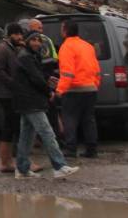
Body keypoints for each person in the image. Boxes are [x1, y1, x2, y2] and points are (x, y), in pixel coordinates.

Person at [14, 31, 79, 179]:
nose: (37, 43)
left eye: (39, 40)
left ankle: (22, 169)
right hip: (31, 101)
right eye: (34, 40)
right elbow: (35, 78)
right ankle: (59, 166)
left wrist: (48, 79)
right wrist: (48, 90)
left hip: (27, 101)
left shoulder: (30, 56)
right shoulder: (25, 57)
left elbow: (37, 76)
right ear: (27, 41)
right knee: (47, 132)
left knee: (27, 135)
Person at [56, 20, 100, 158]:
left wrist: (60, 90)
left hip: (73, 89)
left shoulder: (66, 47)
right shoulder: (88, 46)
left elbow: (67, 72)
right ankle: (91, 149)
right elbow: (96, 69)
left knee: (70, 119)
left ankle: (70, 149)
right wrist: (95, 84)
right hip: (90, 88)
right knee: (89, 120)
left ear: (65, 31)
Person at [0, 23, 24, 173]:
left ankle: (9, 161)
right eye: (17, 34)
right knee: (11, 127)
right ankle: (7, 161)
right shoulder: (2, 49)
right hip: (6, 94)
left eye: (21, 34)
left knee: (12, 127)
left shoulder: (12, 49)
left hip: (12, 93)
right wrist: (14, 84)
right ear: (10, 35)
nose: (20, 37)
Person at [25, 18, 62, 145]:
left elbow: (40, 63)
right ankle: (54, 136)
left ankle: (48, 139)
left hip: (44, 77)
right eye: (39, 28)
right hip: (50, 76)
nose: (41, 31)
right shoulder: (48, 40)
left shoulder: (39, 41)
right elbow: (55, 59)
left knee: (46, 110)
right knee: (51, 110)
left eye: (41, 28)